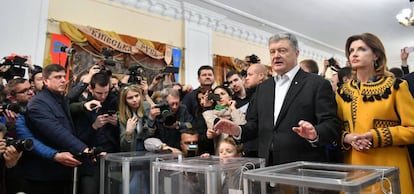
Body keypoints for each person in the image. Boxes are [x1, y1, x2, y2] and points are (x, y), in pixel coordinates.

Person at [214, 32, 341, 166]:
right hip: (267, 167)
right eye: (272, 52)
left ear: (296, 53)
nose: (276, 56)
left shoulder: (317, 84)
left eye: (282, 51)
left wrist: (315, 133)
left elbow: (332, 124)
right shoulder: (264, 88)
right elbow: (254, 125)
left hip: (302, 168)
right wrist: (238, 130)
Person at [337, 33, 414, 194]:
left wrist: (375, 135)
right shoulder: (342, 92)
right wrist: (347, 137)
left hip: (389, 168)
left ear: (376, 55)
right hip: (353, 169)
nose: (354, 54)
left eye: (361, 49)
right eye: (351, 51)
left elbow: (412, 129)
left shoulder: (397, 87)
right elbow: (334, 128)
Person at [24, 64, 89, 194]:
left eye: (64, 77)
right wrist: (84, 150)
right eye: (57, 77)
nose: (63, 80)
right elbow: (56, 131)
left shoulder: (60, 99)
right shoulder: (38, 103)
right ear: (46, 81)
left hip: (62, 171)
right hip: (43, 174)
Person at [202, 86, 246, 150]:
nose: (220, 97)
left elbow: (242, 127)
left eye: (222, 94)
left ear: (230, 97)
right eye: (216, 95)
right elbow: (213, 126)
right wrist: (207, 107)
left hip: (238, 153)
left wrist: (233, 108)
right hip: (220, 154)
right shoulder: (209, 114)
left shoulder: (237, 112)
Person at [119, 84, 155, 152]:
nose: (135, 100)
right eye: (130, 98)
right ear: (124, 100)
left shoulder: (147, 107)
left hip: (147, 149)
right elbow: (124, 146)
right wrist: (128, 133)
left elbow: (149, 135)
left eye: (136, 96)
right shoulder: (122, 115)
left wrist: (151, 119)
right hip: (132, 150)